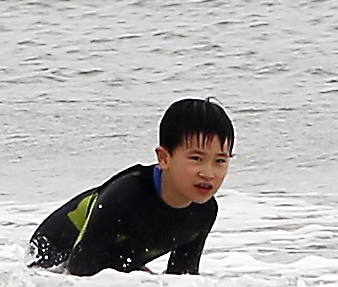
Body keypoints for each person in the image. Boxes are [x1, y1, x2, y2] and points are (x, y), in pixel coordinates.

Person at [27, 98, 235, 276]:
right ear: (164, 158)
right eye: (196, 158)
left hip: (113, 262)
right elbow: (79, 271)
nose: (208, 173)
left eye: (220, 161)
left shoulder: (204, 211)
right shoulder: (126, 196)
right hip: (53, 255)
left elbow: (183, 277)